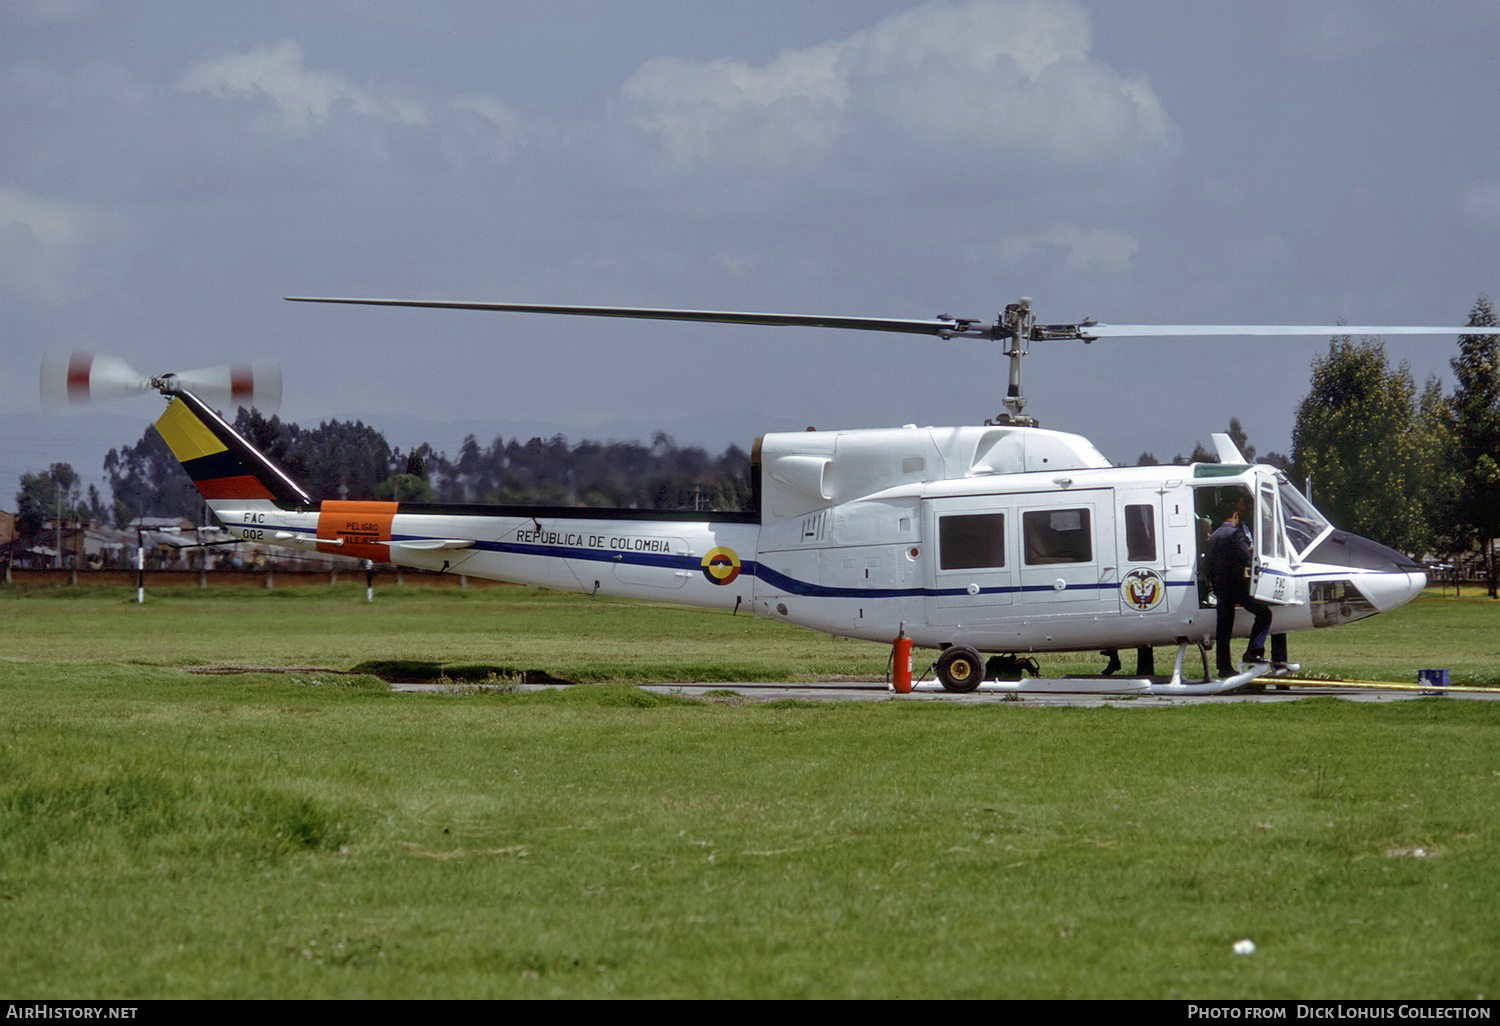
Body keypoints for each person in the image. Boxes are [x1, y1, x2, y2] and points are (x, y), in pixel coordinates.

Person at [1205, 497, 1272, 678]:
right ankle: (1254, 650)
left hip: (1221, 588)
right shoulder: (1236, 534)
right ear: (1235, 516)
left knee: (1223, 629)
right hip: (1237, 586)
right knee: (1264, 614)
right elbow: (1246, 558)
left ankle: (1224, 666)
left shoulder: (1213, 537)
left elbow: (1207, 565)